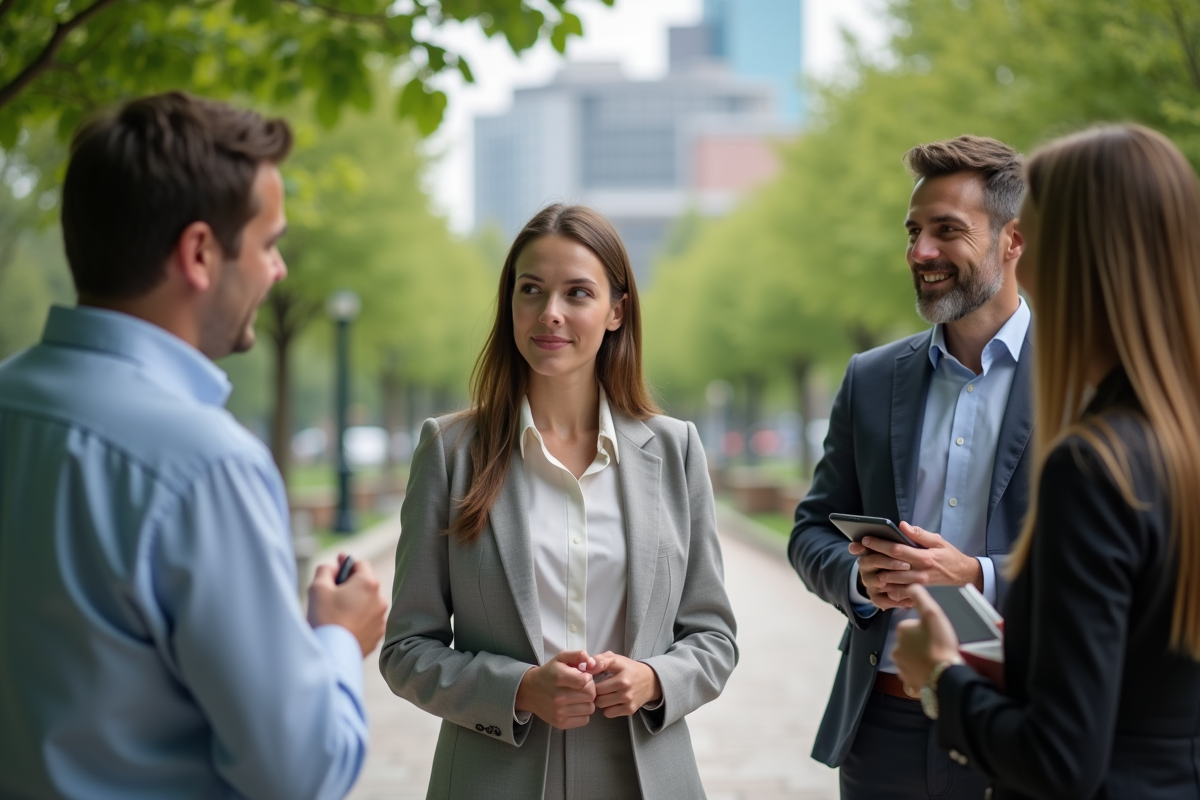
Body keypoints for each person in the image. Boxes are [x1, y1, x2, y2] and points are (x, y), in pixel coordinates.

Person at [0, 92, 388, 800]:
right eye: (269, 244)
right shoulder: (207, 466)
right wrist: (338, 637)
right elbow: (299, 770)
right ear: (200, 253)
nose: (278, 271)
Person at [379, 204, 738, 799]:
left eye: (577, 293)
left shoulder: (676, 449)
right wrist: (518, 688)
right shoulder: (449, 451)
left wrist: (653, 678)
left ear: (616, 310)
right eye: (531, 290)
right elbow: (405, 650)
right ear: (510, 304)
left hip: (644, 778)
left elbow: (714, 637)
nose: (551, 314)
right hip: (491, 779)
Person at [894, 124, 1200, 799]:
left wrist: (944, 675)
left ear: (1073, 261)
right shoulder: (1178, 446)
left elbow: (1061, 759)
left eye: (1035, 240)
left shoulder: (1096, 468)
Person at [789, 135, 1032, 799]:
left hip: (1026, 718)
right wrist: (861, 580)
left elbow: (1123, 563)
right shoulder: (871, 379)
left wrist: (978, 576)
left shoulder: (1082, 376)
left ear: (1012, 241)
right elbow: (809, 531)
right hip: (886, 725)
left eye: (947, 231)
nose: (921, 253)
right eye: (914, 231)